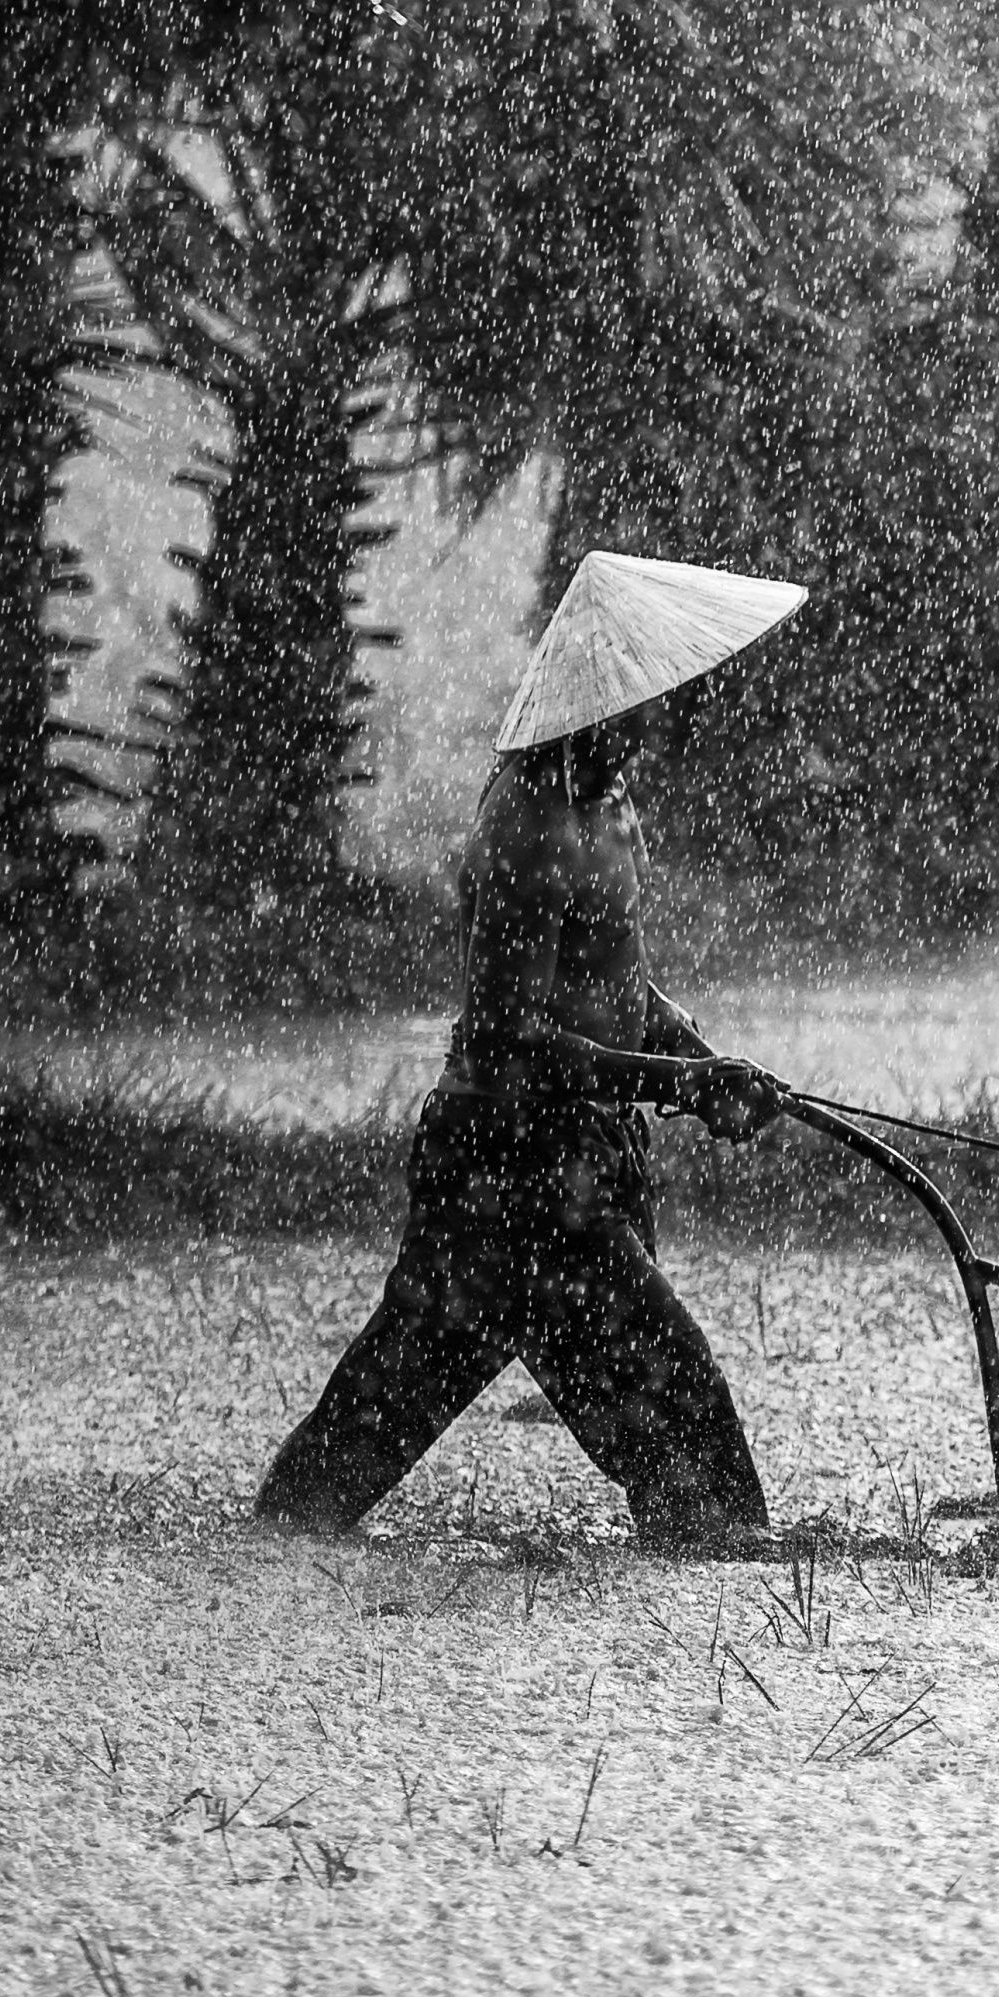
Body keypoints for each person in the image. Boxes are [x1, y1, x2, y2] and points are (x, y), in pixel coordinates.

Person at [252, 552, 811, 1551]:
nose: (667, 715)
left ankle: (276, 1540)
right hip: (514, 1177)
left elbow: (610, 989)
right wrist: (681, 1082)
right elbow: (517, 1039)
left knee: (384, 1415)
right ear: (608, 704)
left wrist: (699, 1058)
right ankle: (728, 1565)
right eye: (651, 696)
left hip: (574, 1170)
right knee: (680, 1413)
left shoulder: (606, 809)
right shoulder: (526, 825)